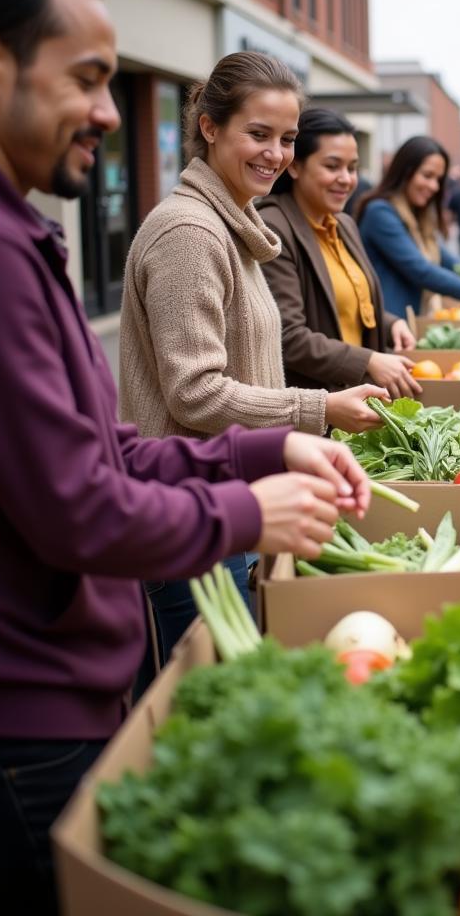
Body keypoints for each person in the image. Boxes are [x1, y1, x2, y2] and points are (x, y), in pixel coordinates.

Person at [0, 0, 369, 914]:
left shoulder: (24, 235)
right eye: (88, 79)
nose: (109, 114)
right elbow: (80, 502)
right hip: (32, 704)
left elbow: (105, 442)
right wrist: (249, 505)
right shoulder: (11, 250)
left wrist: (265, 444)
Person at [118, 51, 386, 678]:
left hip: (226, 503)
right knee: (203, 703)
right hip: (188, 515)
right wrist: (320, 409)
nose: (275, 154)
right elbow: (196, 395)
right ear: (210, 127)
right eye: (258, 134)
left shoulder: (229, 225)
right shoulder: (190, 234)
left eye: (287, 138)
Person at [257, 108, 420, 402]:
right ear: (294, 166)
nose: (346, 179)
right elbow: (288, 336)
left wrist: (389, 323)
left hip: (354, 400)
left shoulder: (343, 223)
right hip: (314, 411)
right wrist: (368, 360)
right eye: (333, 166)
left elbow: (345, 302)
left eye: (353, 167)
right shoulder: (274, 227)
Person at [356, 135, 460, 318]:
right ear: (405, 171)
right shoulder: (380, 212)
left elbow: (439, 252)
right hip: (389, 326)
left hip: (410, 320)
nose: (434, 186)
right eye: (427, 176)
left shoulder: (415, 213)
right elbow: (419, 269)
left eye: (438, 179)